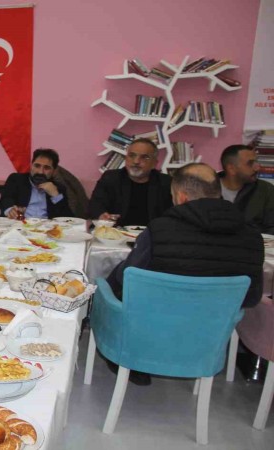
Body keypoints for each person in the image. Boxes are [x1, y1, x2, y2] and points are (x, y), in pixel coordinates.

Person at [105, 163, 263, 386]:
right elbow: (251, 297)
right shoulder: (253, 236)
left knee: (113, 283)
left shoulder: (159, 229)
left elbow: (129, 281)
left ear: (180, 196)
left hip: (152, 330)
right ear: (217, 193)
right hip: (208, 335)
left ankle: (128, 359)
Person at [88, 138, 172, 226]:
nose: (136, 161)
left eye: (144, 157)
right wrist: (102, 215)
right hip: (115, 231)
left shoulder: (166, 183)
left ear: (154, 164)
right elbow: (95, 205)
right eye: (132, 155)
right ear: (125, 158)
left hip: (152, 233)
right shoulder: (111, 178)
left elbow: (173, 214)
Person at [0, 148, 74, 219]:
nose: (40, 172)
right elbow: (5, 199)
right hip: (21, 224)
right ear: (31, 166)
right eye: (37, 166)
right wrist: (10, 210)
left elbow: (68, 218)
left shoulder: (58, 188)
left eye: (46, 168)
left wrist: (55, 195)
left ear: (54, 171)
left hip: (47, 227)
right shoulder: (17, 179)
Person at [218, 144, 274, 233]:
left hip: (256, 240)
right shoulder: (207, 189)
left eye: (256, 162)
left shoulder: (266, 190)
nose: (257, 167)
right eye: (250, 163)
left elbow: (272, 227)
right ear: (231, 169)